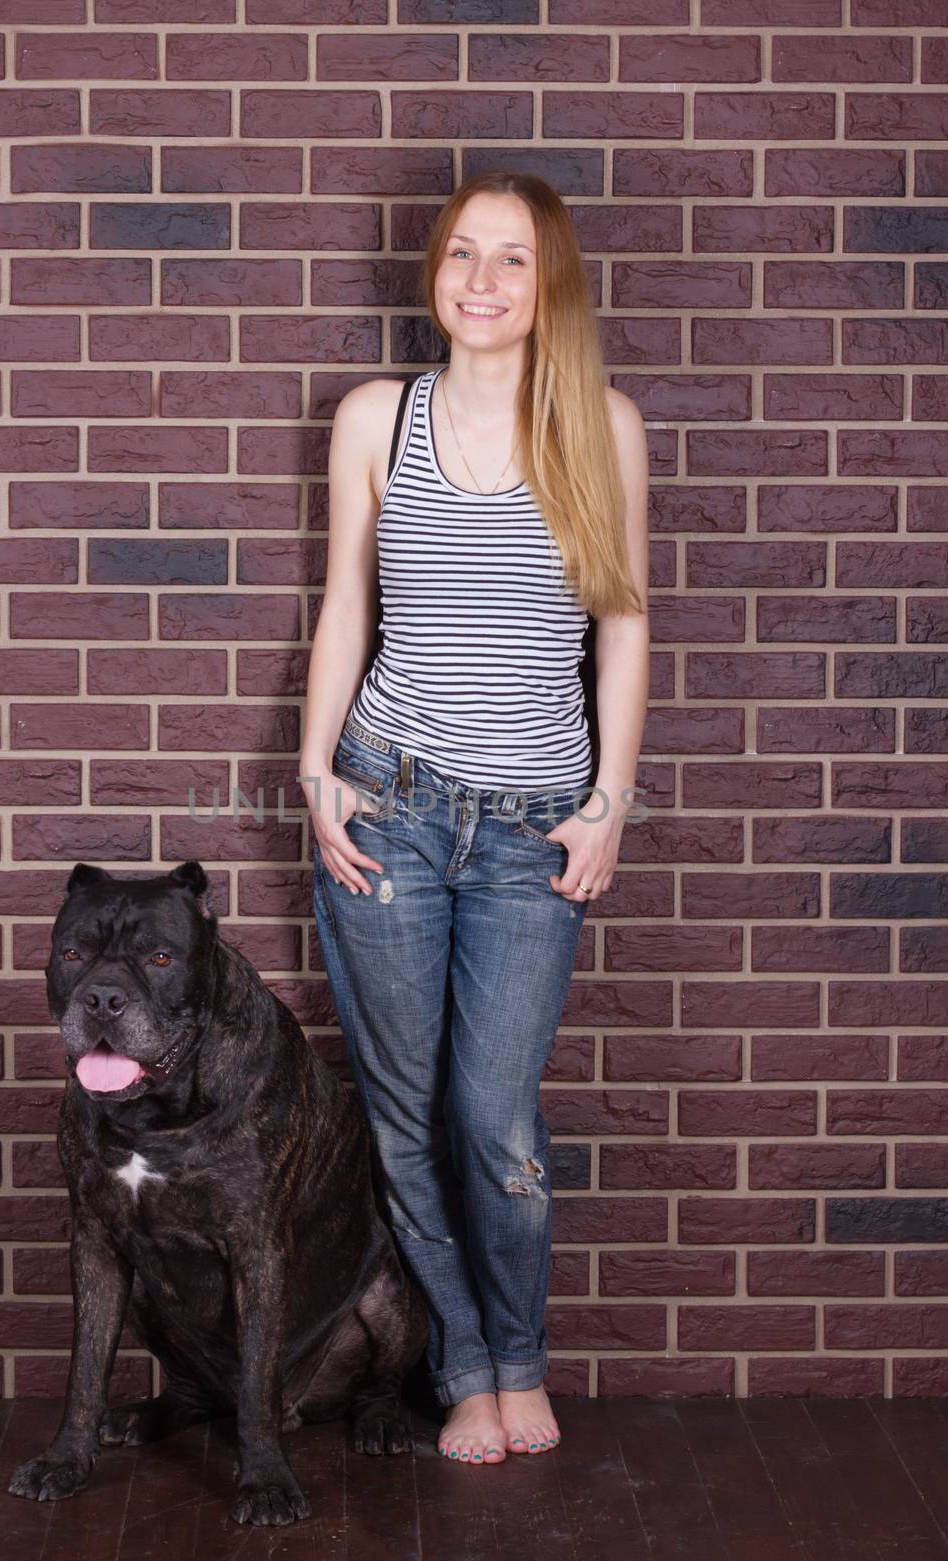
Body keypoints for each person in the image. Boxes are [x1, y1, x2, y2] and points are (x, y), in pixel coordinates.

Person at [300, 171, 649, 1468]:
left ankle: (519, 1361)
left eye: (513, 260)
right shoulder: (377, 420)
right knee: (401, 1113)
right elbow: (344, 604)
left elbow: (622, 621)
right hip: (387, 807)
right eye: (463, 255)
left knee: (494, 1118)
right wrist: (315, 770)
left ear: (549, 282)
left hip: (528, 833)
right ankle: (465, 1369)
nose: (484, 282)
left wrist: (609, 802)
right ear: (436, 273)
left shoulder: (602, 425)